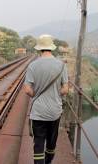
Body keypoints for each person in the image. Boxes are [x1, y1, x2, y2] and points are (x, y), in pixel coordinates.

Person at [23, 34, 69, 164]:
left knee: (38, 144)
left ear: (39, 49)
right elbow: (65, 90)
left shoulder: (33, 66)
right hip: (55, 112)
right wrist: (54, 93)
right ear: (51, 48)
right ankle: (48, 161)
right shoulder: (61, 65)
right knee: (51, 143)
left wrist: (35, 94)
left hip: (38, 112)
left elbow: (27, 89)